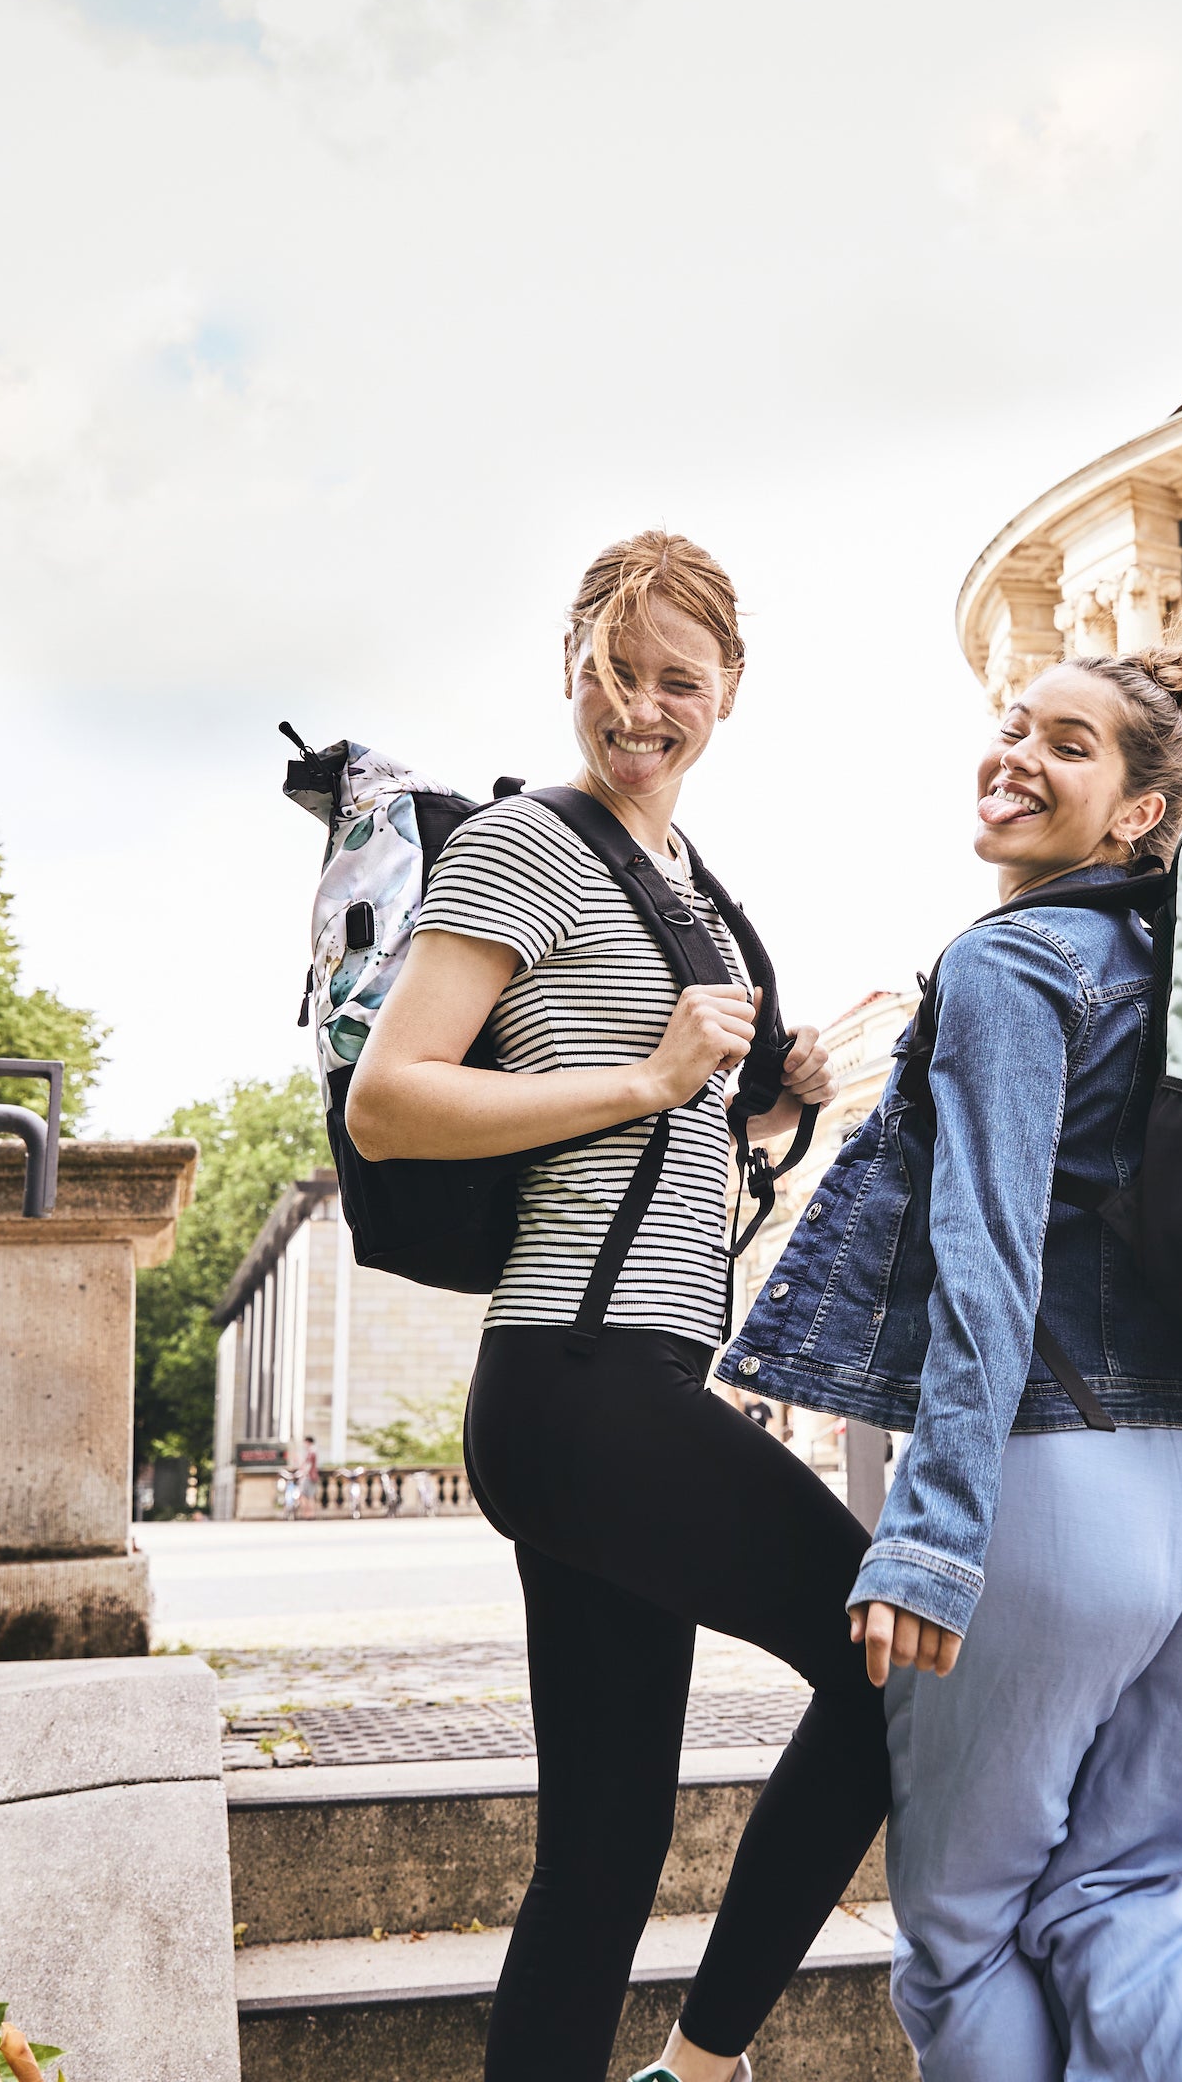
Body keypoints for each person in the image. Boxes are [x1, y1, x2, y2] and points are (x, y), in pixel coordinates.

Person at [346, 530, 883, 2082]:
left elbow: (666, 1143)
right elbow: (393, 1101)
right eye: (617, 672)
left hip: (636, 1375)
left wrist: (764, 1106)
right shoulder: (524, 845)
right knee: (881, 1661)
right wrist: (651, 1075)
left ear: (729, 696)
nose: (643, 708)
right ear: (573, 665)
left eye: (680, 682)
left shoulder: (691, 886)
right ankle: (705, 2068)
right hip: (574, 1384)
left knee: (604, 1843)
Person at [720, 646, 1182, 2081]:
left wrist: (932, 1531)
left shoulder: (1014, 957)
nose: (1018, 752)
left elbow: (989, 1253)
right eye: (1014, 724)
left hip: (1054, 1485)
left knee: (961, 1933)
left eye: (1071, 745)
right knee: (1124, 1898)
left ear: (1142, 813)